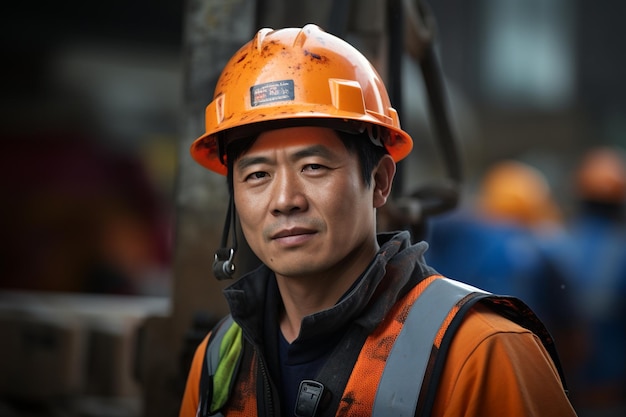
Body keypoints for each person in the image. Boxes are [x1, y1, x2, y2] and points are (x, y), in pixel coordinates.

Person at [179, 24, 577, 417]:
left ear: (381, 181)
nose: (285, 201)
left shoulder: (482, 352)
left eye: (314, 166)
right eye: (257, 175)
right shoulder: (217, 360)